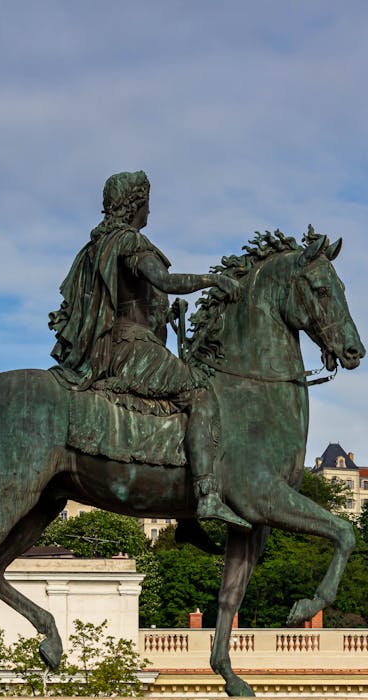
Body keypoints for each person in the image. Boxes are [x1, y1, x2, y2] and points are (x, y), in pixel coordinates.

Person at [49, 170, 247, 527]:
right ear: (134, 205)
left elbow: (132, 298)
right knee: (200, 393)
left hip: (113, 343)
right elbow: (165, 281)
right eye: (147, 205)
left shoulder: (97, 246)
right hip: (130, 345)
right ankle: (207, 496)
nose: (149, 214)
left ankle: (184, 518)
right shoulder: (128, 242)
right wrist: (213, 280)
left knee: (176, 405)